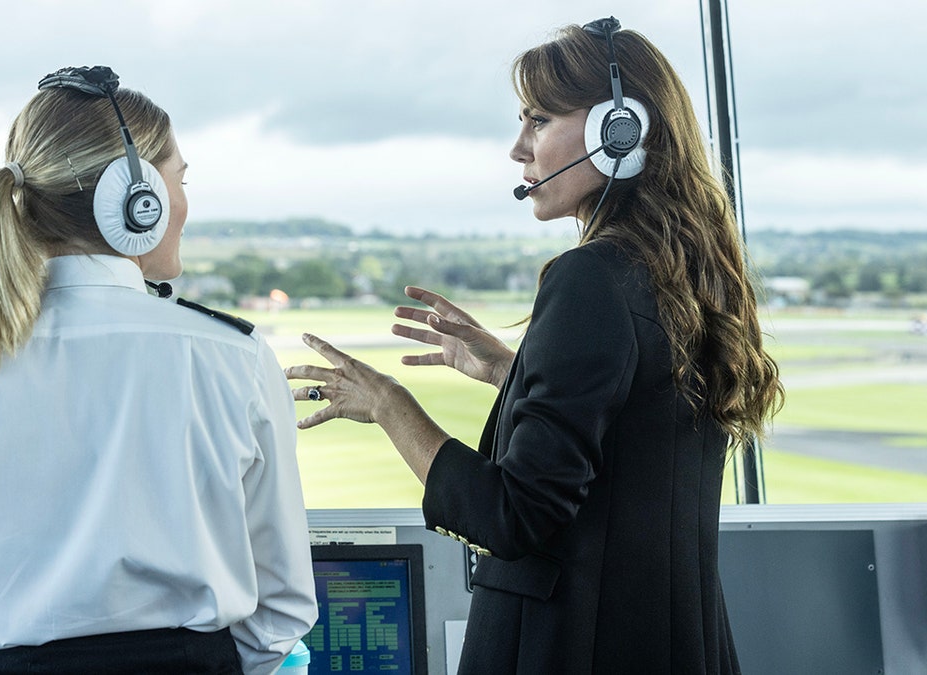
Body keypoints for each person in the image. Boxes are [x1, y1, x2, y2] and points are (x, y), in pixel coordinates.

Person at [285, 18, 782, 674]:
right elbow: (639, 439)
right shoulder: (689, 273)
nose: (519, 148)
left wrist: (388, 403)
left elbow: (512, 515)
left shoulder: (591, 277)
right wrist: (514, 373)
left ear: (618, 131)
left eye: (539, 120)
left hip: (573, 647)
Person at [0, 66, 316, 675]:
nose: (184, 203)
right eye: (179, 179)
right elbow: (281, 606)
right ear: (137, 199)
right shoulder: (235, 358)